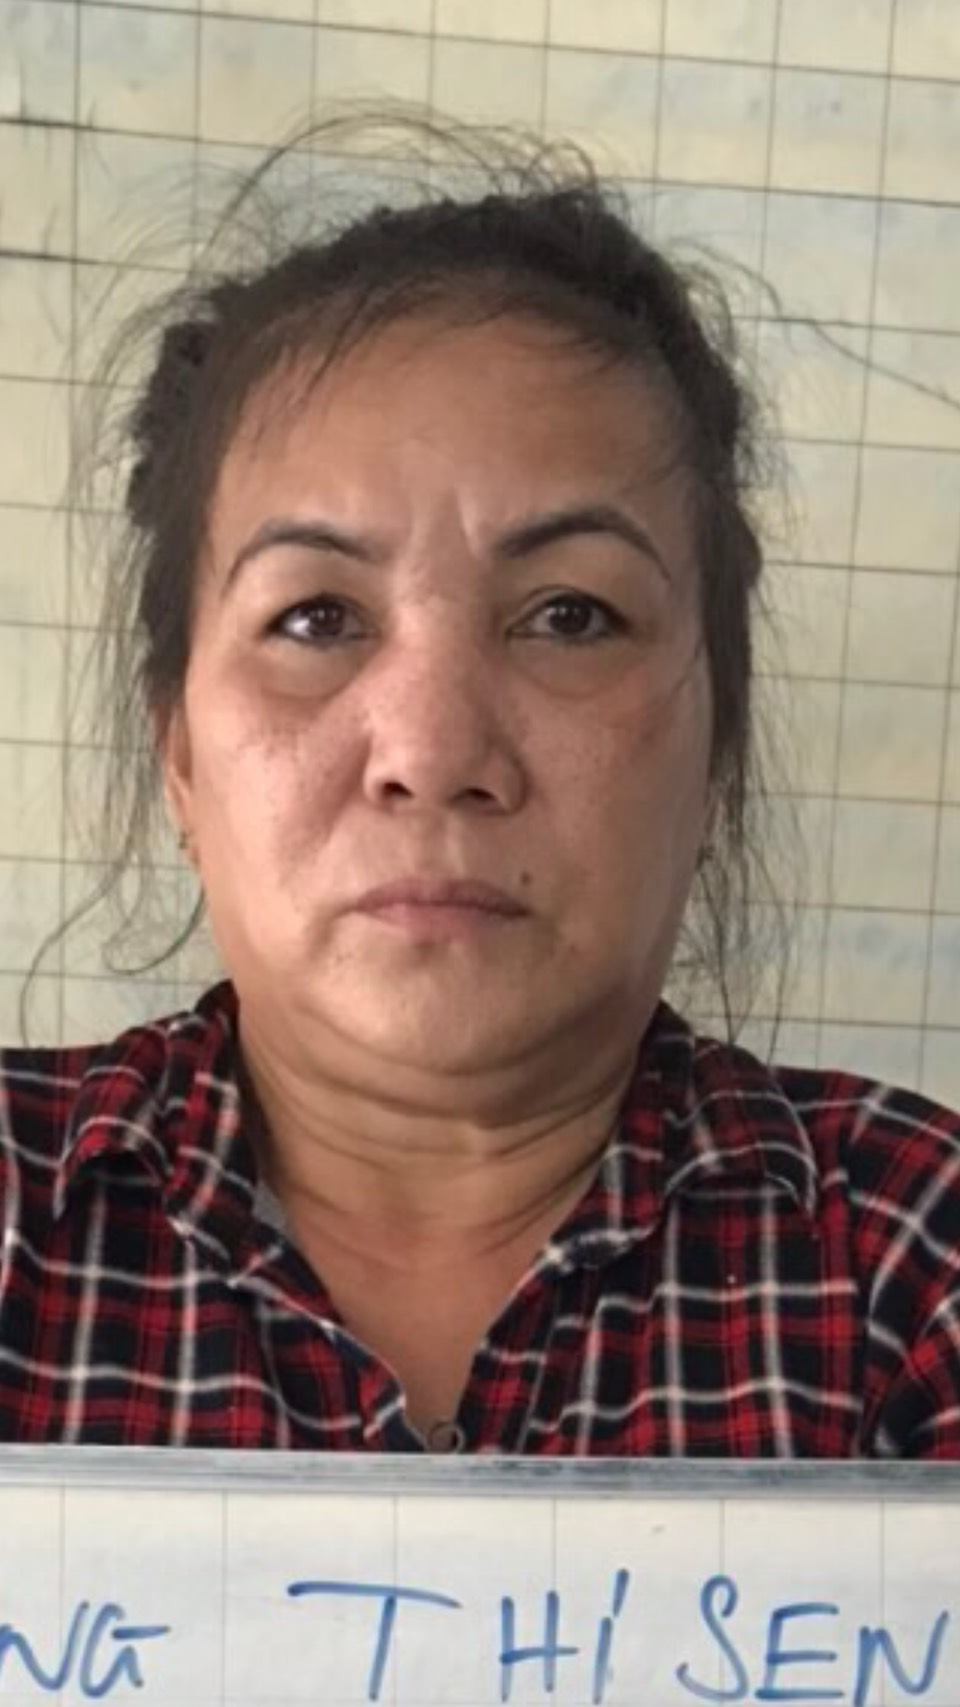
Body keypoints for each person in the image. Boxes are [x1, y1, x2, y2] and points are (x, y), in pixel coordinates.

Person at [1, 115, 958, 1457]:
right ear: (181, 756)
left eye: (571, 615)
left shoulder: (916, 1261)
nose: (434, 752)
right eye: (316, 618)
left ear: (716, 754)